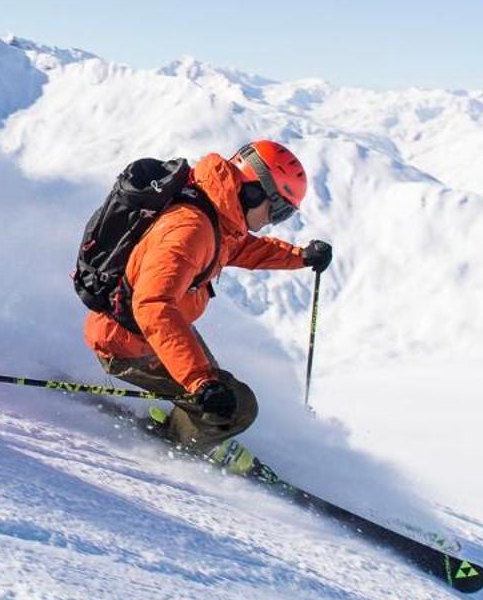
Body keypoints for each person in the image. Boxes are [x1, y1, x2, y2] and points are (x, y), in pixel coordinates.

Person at [82, 140, 332, 465]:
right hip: (131, 340)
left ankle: (181, 422)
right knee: (237, 408)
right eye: (279, 211)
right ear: (254, 191)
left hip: (149, 328)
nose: (274, 221)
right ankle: (178, 450)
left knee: (217, 389)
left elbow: (238, 249)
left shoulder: (216, 211)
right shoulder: (190, 229)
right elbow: (153, 305)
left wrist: (299, 257)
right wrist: (199, 383)